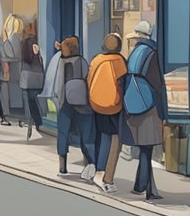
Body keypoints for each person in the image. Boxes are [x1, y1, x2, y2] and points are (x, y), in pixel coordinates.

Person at [122, 21, 165, 201]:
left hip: (134, 103)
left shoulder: (135, 53)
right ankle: (149, 190)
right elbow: (157, 83)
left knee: (143, 148)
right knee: (147, 147)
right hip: (149, 105)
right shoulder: (152, 54)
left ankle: (140, 185)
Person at [87, 33, 128, 192]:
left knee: (102, 137)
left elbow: (89, 80)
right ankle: (108, 178)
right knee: (115, 140)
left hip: (97, 104)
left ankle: (98, 170)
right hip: (115, 106)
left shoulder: (96, 60)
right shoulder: (120, 62)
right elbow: (124, 85)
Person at [52, 36, 95, 176]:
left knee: (63, 134)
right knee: (86, 135)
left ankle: (62, 167)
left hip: (65, 104)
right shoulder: (82, 61)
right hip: (82, 104)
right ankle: (88, 166)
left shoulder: (61, 62)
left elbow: (58, 85)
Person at [18, 27, 46, 139]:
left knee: (30, 102)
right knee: (35, 102)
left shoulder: (23, 46)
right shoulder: (34, 43)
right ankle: (38, 122)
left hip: (27, 79)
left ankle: (31, 121)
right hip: (37, 78)